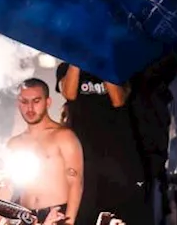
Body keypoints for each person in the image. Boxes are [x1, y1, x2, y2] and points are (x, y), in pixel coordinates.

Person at [56, 62, 148, 225]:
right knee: (85, 209)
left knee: (116, 211)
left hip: (116, 152)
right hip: (83, 153)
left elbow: (118, 99)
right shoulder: (67, 67)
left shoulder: (116, 66)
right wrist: (77, 59)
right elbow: (69, 93)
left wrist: (102, 61)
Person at [5, 78, 83, 224]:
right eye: (24, 102)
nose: (30, 108)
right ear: (18, 104)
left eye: (36, 101)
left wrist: (69, 221)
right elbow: (6, 187)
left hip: (57, 214)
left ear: (47, 102)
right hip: (26, 216)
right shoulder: (14, 144)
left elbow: (75, 182)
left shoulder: (64, 136)